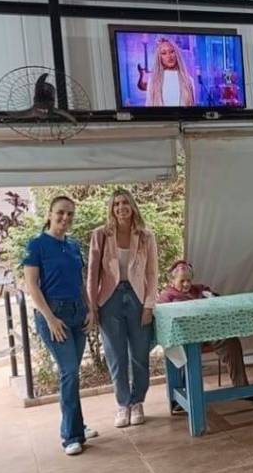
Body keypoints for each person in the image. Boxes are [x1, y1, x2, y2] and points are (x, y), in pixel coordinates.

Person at [22, 195, 98, 456]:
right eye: (60, 213)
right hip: (54, 315)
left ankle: (78, 425)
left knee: (73, 372)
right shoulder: (36, 245)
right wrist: (50, 318)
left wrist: (90, 309)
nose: (65, 218)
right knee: (69, 371)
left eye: (70, 214)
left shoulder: (73, 245)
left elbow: (79, 282)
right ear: (50, 214)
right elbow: (32, 285)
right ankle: (70, 436)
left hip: (78, 312)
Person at [87, 189, 158, 429]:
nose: (121, 207)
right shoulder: (101, 235)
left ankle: (137, 402)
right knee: (116, 357)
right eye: (116, 204)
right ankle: (123, 404)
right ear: (111, 208)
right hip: (110, 300)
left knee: (140, 354)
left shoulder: (146, 236)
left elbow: (152, 273)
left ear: (133, 206)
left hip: (137, 298)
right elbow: (92, 274)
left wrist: (149, 305)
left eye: (125, 202)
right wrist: (92, 306)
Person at [157, 260, 251, 392]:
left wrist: (211, 297)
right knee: (188, 350)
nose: (186, 284)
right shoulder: (166, 297)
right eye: (182, 281)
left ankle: (242, 388)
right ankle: (185, 394)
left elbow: (218, 301)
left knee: (231, 341)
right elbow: (162, 320)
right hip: (185, 337)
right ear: (172, 281)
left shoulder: (199, 289)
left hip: (209, 332)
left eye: (189, 280)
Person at [144, 37, 195, 107]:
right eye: (164, 53)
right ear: (159, 57)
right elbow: (148, 106)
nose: (169, 56)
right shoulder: (153, 81)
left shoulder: (189, 80)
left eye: (172, 51)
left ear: (176, 54)